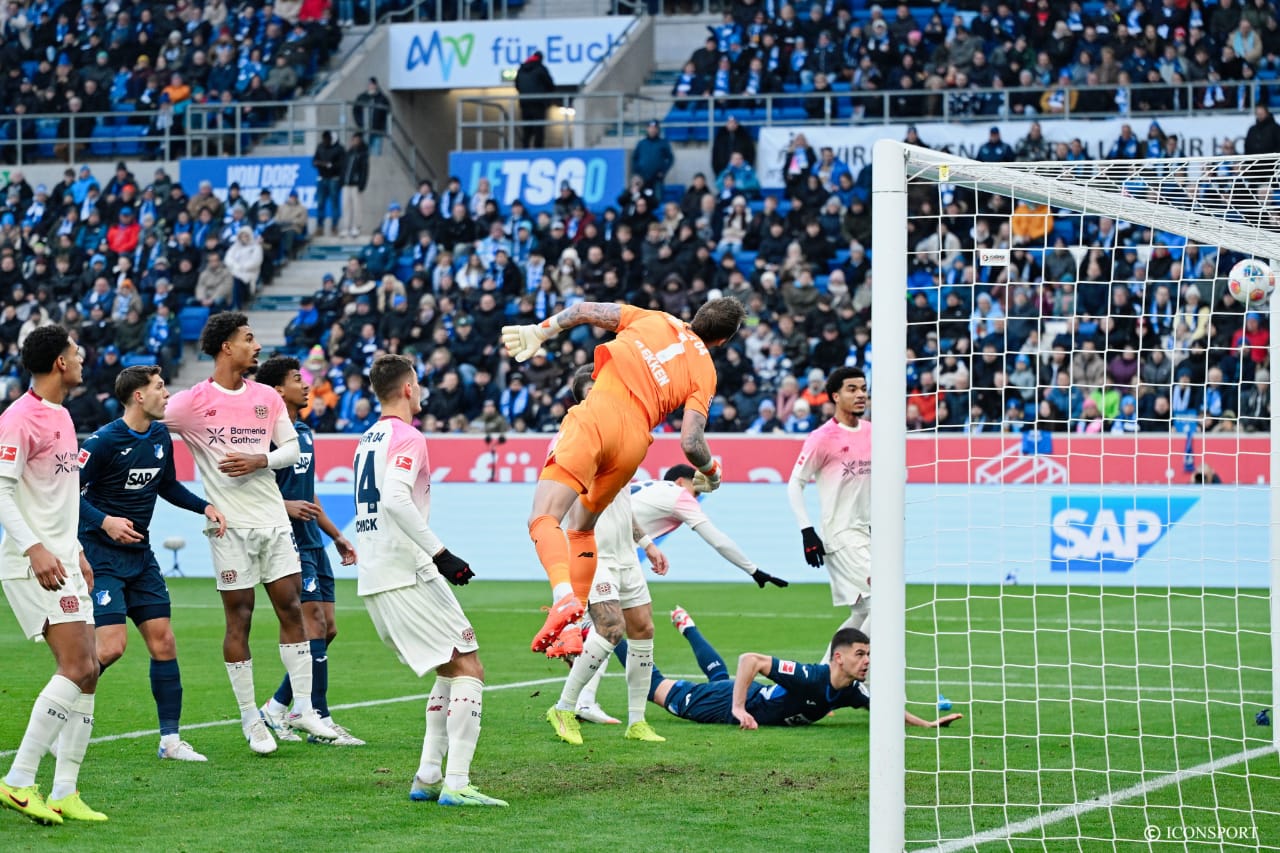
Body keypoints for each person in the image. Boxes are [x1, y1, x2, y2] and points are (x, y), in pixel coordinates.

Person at [501, 297, 747, 655]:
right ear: (722, 341)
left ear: (697, 316)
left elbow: (583, 310)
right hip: (633, 442)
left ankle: (564, 597)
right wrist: (712, 471)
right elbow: (691, 442)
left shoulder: (656, 319)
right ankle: (572, 629)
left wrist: (541, 331)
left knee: (543, 517)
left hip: (598, 414)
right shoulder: (706, 372)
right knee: (582, 529)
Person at [162, 312, 336, 754]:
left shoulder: (265, 398)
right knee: (239, 617)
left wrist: (261, 460)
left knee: (292, 609)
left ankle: (304, 708)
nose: (256, 346)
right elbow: (145, 422)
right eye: (248, 338)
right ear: (226, 346)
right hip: (230, 528)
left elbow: (291, 448)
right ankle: (250, 719)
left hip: (274, 522)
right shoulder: (190, 403)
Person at [354, 354, 506, 807]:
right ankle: (456, 783)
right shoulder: (408, 436)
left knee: (449, 666)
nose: (419, 390)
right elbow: (395, 499)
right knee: (469, 668)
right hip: (408, 570)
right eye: (417, 383)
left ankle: (427, 775)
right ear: (407, 388)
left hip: (377, 573)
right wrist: (441, 555)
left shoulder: (368, 438)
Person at [77, 365, 228, 763]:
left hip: (141, 557)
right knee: (112, 648)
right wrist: (105, 522)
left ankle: (170, 741)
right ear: (139, 396)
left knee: (164, 642)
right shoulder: (102, 441)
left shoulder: (161, 436)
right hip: (101, 555)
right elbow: (65, 495)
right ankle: (61, 711)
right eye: (160, 388)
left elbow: (168, 486)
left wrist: (204, 506)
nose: (167, 394)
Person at [0, 326, 105, 825]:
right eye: (76, 352)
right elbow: (1, 492)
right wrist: (36, 548)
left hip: (64, 558)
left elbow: (56, 499)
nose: (81, 358)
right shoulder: (18, 418)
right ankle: (19, 780)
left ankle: (64, 790)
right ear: (61, 362)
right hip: (33, 564)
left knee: (90, 670)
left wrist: (76, 549)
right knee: (76, 665)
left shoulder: (62, 414)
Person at [544, 365, 669, 746]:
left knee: (643, 628)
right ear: (582, 399)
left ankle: (637, 721)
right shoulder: (571, 437)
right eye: (594, 391)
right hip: (591, 550)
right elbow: (557, 499)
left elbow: (622, 502)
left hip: (624, 552)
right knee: (611, 629)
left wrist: (646, 543)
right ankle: (565, 707)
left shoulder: (621, 434)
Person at [255, 356, 362, 746]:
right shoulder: (264, 436)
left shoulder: (302, 432)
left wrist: (336, 535)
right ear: (278, 390)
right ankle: (318, 717)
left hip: (315, 541)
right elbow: (247, 492)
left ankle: (277, 706)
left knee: (327, 629)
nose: (306, 385)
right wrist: (285, 507)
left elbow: (308, 492)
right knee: (313, 624)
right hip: (288, 543)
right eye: (297, 379)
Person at [646, 609, 961, 729]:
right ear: (838, 658)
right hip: (724, 704)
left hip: (746, 692)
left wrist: (927, 724)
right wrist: (738, 708)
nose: (867, 660)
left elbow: (885, 709)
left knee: (719, 677)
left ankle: (688, 627)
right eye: (860, 654)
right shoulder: (809, 677)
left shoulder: (850, 690)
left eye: (869, 654)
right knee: (651, 686)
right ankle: (617, 633)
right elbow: (749, 660)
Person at [787, 367, 871, 662]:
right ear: (835, 396)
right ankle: (856, 679)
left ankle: (823, 678)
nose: (860, 395)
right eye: (852, 389)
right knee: (884, 606)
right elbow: (795, 484)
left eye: (863, 389)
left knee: (861, 612)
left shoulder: (873, 432)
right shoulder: (822, 437)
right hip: (841, 534)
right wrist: (807, 531)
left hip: (868, 533)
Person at [632, 464, 789, 589]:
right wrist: (754, 570)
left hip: (620, 543)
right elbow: (719, 541)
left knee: (639, 617)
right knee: (637, 616)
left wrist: (647, 545)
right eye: (696, 492)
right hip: (618, 553)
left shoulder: (647, 485)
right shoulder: (680, 495)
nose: (695, 499)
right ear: (680, 482)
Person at [513, 52, 556, 149]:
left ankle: (525, 149)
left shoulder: (521, 69)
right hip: (538, 103)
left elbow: (517, 85)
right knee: (539, 129)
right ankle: (538, 150)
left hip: (524, 103)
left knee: (527, 129)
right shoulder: (541, 69)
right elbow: (550, 84)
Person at [312, 130, 344, 237]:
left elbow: (341, 165)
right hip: (322, 178)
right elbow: (314, 161)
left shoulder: (339, 149)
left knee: (335, 203)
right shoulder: (320, 147)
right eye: (324, 139)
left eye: (327, 139)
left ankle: (334, 226)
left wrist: (330, 165)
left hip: (334, 179)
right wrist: (320, 164)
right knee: (320, 203)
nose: (325, 141)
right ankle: (319, 227)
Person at [631, 120, 675, 197]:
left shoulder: (663, 143)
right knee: (641, 198)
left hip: (657, 178)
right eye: (650, 128)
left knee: (657, 198)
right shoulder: (642, 143)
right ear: (647, 129)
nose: (652, 130)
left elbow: (670, 159)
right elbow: (634, 158)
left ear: (658, 130)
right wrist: (637, 172)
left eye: (655, 128)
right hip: (642, 178)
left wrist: (663, 171)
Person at [339, 131, 369, 238]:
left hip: (356, 185)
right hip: (346, 184)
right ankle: (345, 228)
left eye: (357, 140)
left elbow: (364, 171)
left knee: (357, 207)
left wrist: (362, 184)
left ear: (360, 141)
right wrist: (342, 181)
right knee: (345, 207)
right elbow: (343, 169)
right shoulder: (348, 153)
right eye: (353, 140)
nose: (354, 142)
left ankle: (356, 227)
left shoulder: (363, 154)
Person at [352, 77, 391, 156]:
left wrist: (383, 126)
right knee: (364, 152)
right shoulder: (362, 97)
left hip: (377, 130)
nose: (371, 86)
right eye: (369, 84)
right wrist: (360, 123)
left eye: (372, 84)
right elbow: (355, 111)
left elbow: (388, 112)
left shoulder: (382, 98)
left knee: (375, 153)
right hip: (364, 130)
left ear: (376, 85)